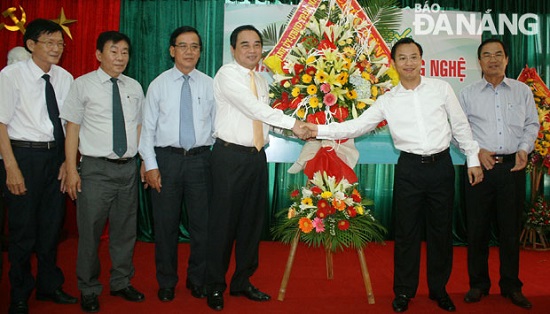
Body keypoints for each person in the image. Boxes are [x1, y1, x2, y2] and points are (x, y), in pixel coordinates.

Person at [303, 37, 484, 313]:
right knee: (407, 233)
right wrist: (319, 131)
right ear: (394, 63)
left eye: (413, 57)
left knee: (440, 232)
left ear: (421, 60)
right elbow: (356, 126)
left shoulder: (441, 89)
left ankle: (439, 290)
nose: (408, 63)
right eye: (402, 58)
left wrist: (472, 158)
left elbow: (460, 125)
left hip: (441, 167)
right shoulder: (388, 100)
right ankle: (403, 292)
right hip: (409, 169)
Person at [205, 25, 309, 311]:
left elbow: (268, 120)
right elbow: (253, 109)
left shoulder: (261, 81)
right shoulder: (226, 75)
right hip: (228, 158)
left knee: (252, 224)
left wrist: (302, 129)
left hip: (255, 158)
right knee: (223, 225)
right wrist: (293, 124)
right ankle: (214, 285)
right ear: (233, 49)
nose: (252, 50)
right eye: (245, 45)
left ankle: (242, 281)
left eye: (257, 44)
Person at [61, 31, 145, 313]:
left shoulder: (134, 86)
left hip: (128, 169)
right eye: (114, 51)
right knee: (90, 233)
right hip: (95, 169)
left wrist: (144, 160)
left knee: (125, 231)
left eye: (124, 52)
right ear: (99, 54)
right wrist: (72, 169)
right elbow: (71, 129)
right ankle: (88, 288)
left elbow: (138, 127)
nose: (120, 57)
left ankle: (121, 282)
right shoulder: (82, 85)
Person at [0, 19, 77, 314]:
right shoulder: (11, 75)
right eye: (50, 43)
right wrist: (11, 167)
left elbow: (69, 125)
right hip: (23, 157)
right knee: (22, 231)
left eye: (60, 43)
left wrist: (67, 163)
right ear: (31, 45)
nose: (57, 48)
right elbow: (1, 124)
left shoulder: (64, 77)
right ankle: (19, 291)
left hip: (54, 158)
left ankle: (48, 285)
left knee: (50, 227)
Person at [458, 38, 539, 310]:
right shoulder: (467, 94)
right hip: (479, 169)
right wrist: (476, 151)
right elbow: (459, 131)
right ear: (478, 62)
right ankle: (478, 284)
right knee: (477, 231)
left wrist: (525, 149)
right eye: (486, 55)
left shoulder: (522, 91)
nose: (493, 59)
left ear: (506, 59)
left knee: (509, 231)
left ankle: (511, 285)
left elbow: (532, 124)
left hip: (512, 168)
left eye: (498, 55)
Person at [138, 26, 214, 302]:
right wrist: (151, 165)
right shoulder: (158, 84)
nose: (189, 51)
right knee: (166, 225)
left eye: (195, 46)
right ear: (172, 50)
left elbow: (217, 127)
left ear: (200, 52)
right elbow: (147, 130)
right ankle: (166, 281)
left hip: (201, 161)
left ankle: (198, 279)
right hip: (166, 161)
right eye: (183, 46)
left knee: (202, 226)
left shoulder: (209, 84)